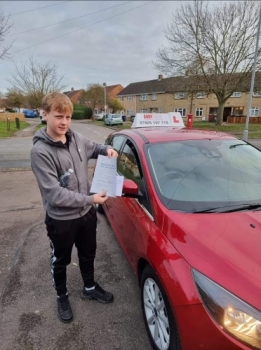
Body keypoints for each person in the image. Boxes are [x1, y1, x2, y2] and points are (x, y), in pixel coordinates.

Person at [30, 92, 118, 323]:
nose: (64, 122)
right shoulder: (40, 152)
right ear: (45, 114)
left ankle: (88, 287)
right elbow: (54, 194)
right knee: (61, 259)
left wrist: (106, 150)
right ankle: (62, 295)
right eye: (59, 116)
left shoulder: (76, 138)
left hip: (86, 215)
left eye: (68, 117)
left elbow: (94, 147)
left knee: (88, 253)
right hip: (61, 219)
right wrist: (91, 200)